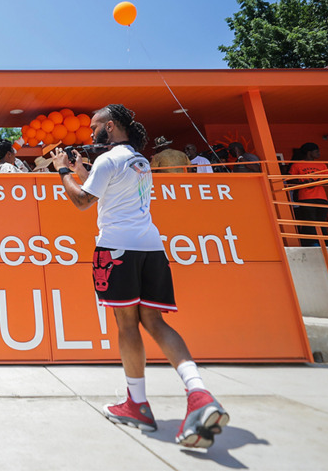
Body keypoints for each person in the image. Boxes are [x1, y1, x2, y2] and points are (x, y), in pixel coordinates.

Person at [50, 103, 229, 449]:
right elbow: (110, 189)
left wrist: (62, 172)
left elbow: (83, 202)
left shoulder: (109, 159)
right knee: (156, 322)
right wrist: (82, 168)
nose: (90, 132)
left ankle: (137, 404)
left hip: (116, 248)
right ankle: (199, 393)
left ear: (111, 126)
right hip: (151, 246)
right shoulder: (139, 159)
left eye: (95, 126)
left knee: (127, 326)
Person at [288, 142, 328, 246]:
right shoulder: (297, 165)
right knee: (310, 221)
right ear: (309, 152)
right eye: (317, 151)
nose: (319, 153)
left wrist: (317, 181)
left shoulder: (322, 165)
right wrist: (303, 183)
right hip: (305, 197)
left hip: (321, 197)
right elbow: (289, 180)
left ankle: (325, 242)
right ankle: (312, 242)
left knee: (321, 221)